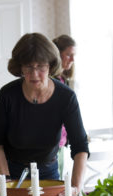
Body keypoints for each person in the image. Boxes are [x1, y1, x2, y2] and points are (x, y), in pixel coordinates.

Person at [0, 33, 89, 196]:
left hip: (47, 172)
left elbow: (80, 147)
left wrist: (74, 188)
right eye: (28, 67)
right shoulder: (7, 96)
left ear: (50, 65)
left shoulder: (66, 97)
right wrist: (6, 182)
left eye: (40, 67)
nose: (34, 74)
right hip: (10, 171)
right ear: (20, 68)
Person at [52, 35, 76, 179]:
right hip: (53, 145)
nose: (72, 60)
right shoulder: (52, 81)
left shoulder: (63, 79)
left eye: (73, 55)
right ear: (57, 54)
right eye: (68, 54)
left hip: (61, 143)